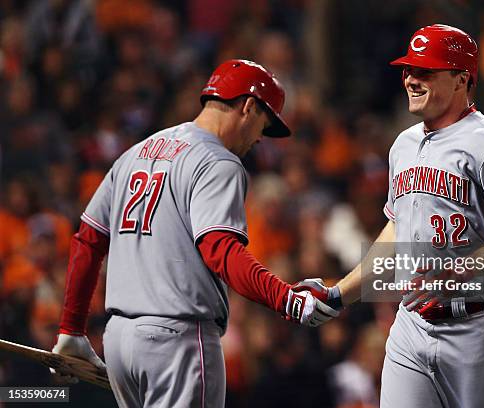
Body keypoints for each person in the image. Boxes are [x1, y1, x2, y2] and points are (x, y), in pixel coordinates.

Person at [50, 59, 338, 407]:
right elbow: (221, 251)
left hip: (120, 342)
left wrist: (72, 329)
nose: (262, 138)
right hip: (178, 342)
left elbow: (88, 240)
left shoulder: (134, 153)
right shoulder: (219, 161)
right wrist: (286, 298)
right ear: (248, 106)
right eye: (265, 123)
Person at [304, 24, 484, 407]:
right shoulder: (403, 144)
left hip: (478, 323)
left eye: (425, 72)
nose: (411, 79)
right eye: (408, 70)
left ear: (461, 80)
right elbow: (396, 230)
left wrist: (465, 268)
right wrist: (341, 294)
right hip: (411, 322)